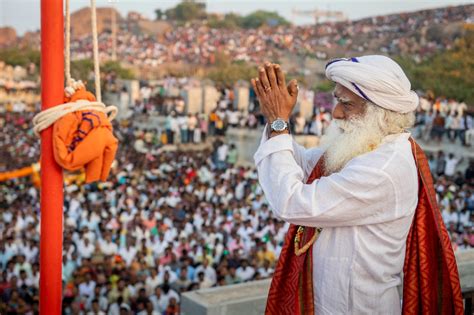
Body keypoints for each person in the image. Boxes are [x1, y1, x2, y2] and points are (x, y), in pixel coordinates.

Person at [251, 56, 463, 314]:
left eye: (346, 104)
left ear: (379, 111)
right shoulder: (370, 147)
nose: (336, 113)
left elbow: (292, 202)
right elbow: (305, 164)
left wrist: (279, 123)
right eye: (337, 101)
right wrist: (274, 121)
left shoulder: (383, 168)